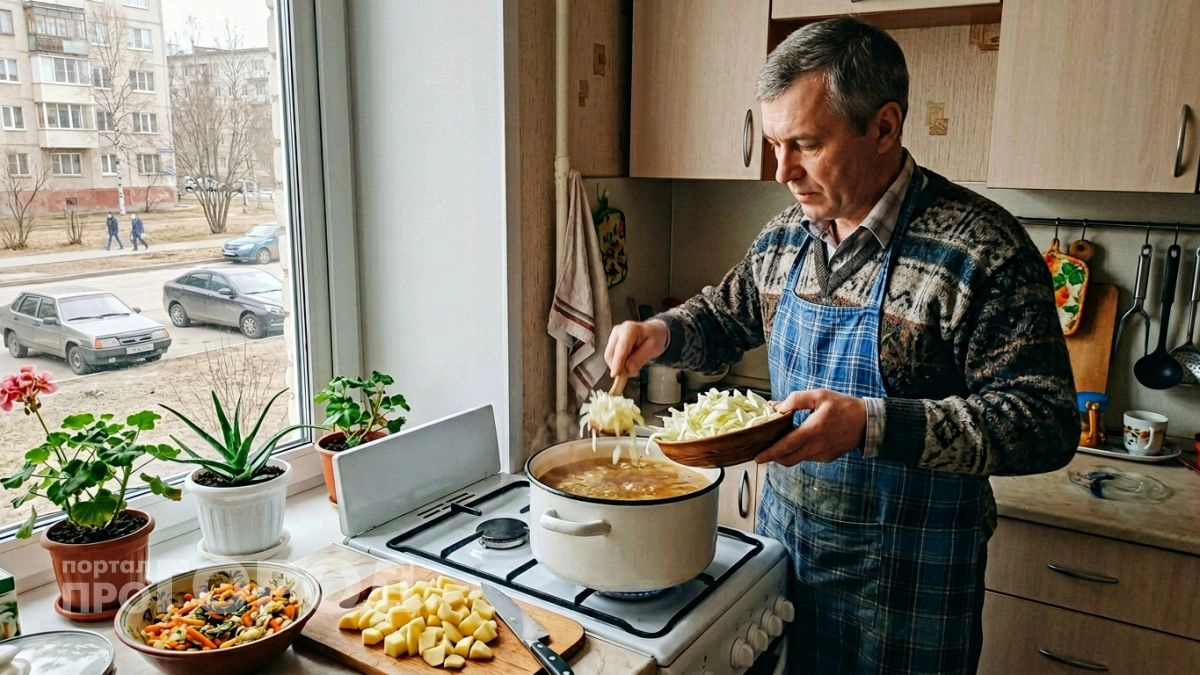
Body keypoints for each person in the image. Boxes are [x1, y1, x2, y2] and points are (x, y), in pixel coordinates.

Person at [604, 17, 1077, 674]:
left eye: (805, 143)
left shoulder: (978, 250)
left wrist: (870, 426)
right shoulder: (785, 237)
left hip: (912, 593)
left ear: (884, 127)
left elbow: (1047, 422)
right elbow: (728, 313)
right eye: (774, 144)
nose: (782, 171)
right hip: (785, 564)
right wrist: (661, 332)